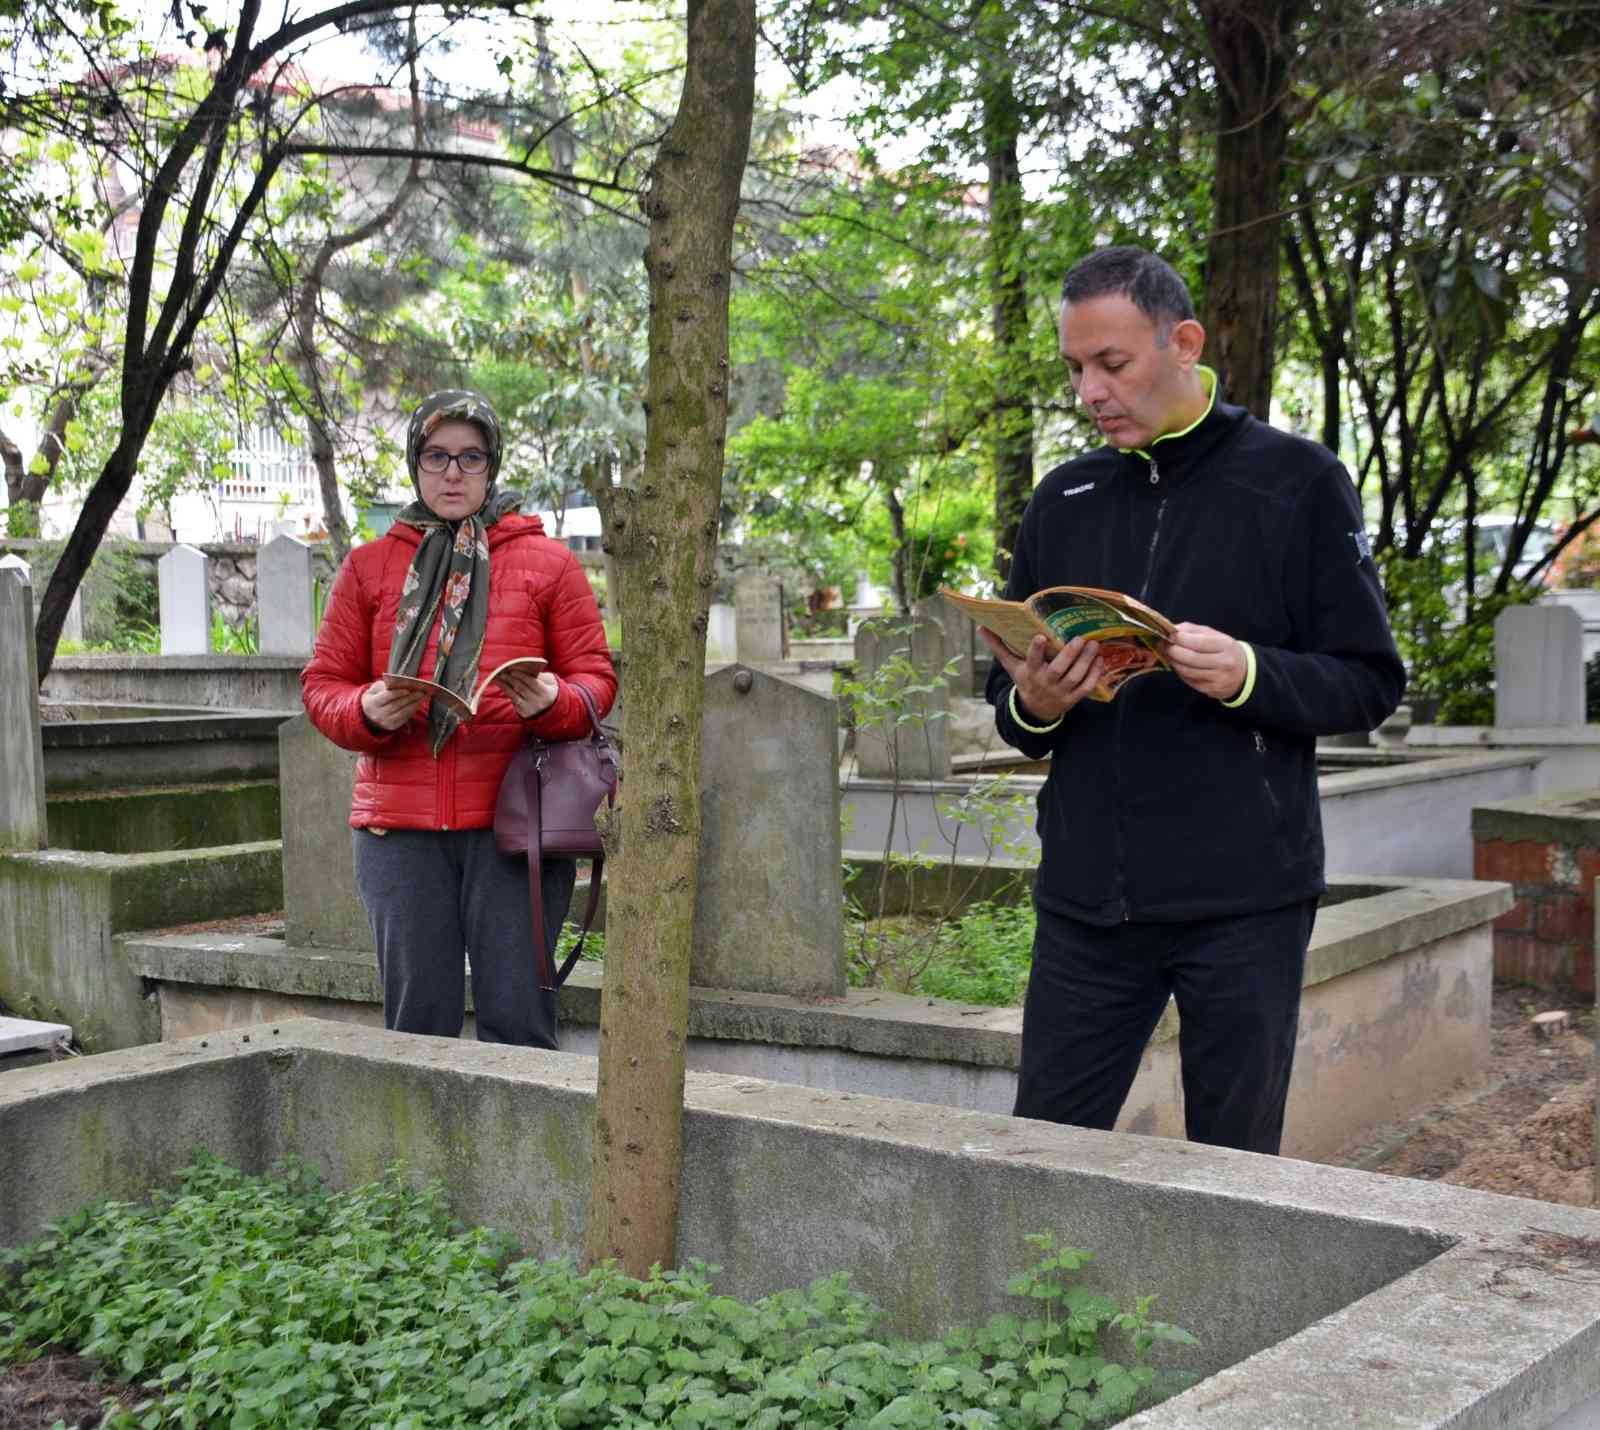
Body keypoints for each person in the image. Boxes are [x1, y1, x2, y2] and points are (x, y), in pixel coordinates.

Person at [983, 246, 1404, 1154]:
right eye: (1074, 369)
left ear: (1183, 343)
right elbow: (1010, 706)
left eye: (1111, 363)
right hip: (1087, 902)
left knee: (1232, 1172)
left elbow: (1371, 680)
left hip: (1244, 903)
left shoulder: (1297, 482)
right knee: (1042, 1159)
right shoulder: (1064, 497)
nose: (1090, 392)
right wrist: (1039, 701)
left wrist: (1250, 673)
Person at [302, 389, 616, 1047]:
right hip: (399, 834)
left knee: (519, 1025)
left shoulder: (548, 564)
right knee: (417, 1031)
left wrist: (554, 701)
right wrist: (365, 710)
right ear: (414, 462)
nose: (453, 473)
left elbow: (596, 681)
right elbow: (323, 687)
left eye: (470, 457)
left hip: (517, 829)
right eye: (437, 456)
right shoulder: (368, 568)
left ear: (491, 464)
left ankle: (520, 1122)